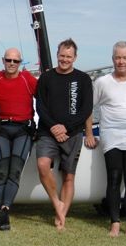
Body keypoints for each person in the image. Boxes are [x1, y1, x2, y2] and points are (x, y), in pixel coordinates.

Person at [85, 41, 126, 240]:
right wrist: (89, 133)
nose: (120, 61)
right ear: (112, 58)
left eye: (125, 58)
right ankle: (115, 223)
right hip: (111, 136)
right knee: (114, 178)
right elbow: (88, 108)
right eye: (117, 57)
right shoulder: (102, 82)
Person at [36, 39, 93, 230]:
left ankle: (62, 217)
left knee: (68, 176)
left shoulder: (83, 79)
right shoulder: (46, 77)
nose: (64, 59)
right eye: (62, 55)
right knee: (43, 165)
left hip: (72, 134)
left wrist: (66, 129)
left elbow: (85, 110)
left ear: (75, 58)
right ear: (57, 54)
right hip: (47, 131)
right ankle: (57, 203)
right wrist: (53, 127)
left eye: (69, 56)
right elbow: (40, 107)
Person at [0, 48, 37, 231]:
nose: (12, 63)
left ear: (20, 62)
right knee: (2, 172)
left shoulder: (28, 79)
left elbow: (45, 102)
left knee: (15, 171)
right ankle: (3, 214)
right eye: (9, 60)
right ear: (3, 60)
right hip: (1, 130)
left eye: (16, 61)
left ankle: (4, 211)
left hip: (23, 130)